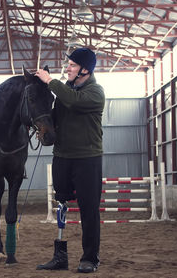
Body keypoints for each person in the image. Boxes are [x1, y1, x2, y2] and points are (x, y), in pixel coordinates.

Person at [34, 47, 105, 273]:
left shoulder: (95, 92)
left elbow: (73, 101)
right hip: (62, 157)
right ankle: (60, 256)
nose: (68, 68)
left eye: (72, 65)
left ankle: (90, 258)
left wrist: (49, 81)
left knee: (89, 209)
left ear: (85, 70)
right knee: (61, 204)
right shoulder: (66, 89)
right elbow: (57, 114)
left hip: (87, 159)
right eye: (69, 65)